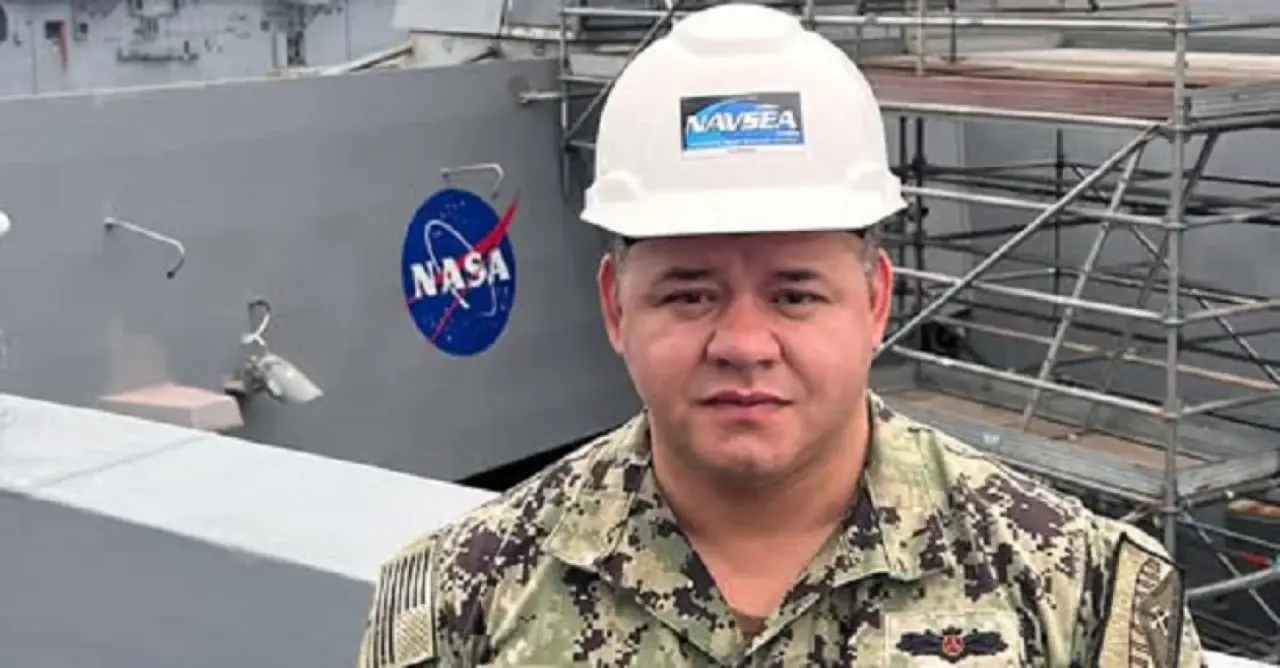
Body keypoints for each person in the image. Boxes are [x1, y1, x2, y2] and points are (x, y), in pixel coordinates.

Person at [357, 3, 1207, 666]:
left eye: (795, 295)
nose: (744, 343)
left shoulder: (1074, 592)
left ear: (875, 301)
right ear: (616, 308)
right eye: (690, 296)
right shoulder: (466, 599)